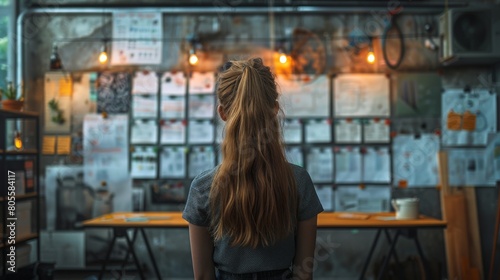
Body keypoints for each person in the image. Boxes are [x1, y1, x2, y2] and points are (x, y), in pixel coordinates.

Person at [182, 58, 324, 280]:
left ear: (222, 113)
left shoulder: (203, 188)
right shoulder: (299, 181)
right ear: (275, 109)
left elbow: (203, 277)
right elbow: (304, 274)